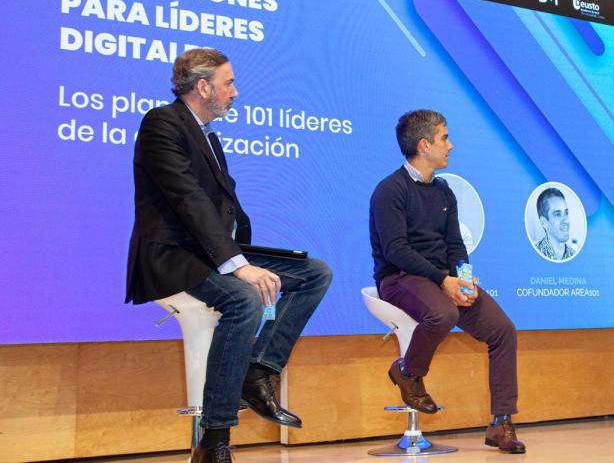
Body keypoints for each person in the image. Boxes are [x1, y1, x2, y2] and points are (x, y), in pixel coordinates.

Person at [125, 49, 333, 462]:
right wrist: (238, 266)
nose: (235, 92)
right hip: (173, 255)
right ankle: (215, 441)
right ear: (203, 87)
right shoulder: (161, 124)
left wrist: (244, 255)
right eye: (229, 83)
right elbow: (187, 200)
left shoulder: (210, 138)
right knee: (244, 299)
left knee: (313, 273)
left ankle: (258, 371)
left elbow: (223, 209)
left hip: (212, 253)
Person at [369, 110, 525, 454]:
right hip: (400, 278)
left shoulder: (444, 191)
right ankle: (408, 371)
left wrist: (463, 280)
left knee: (503, 329)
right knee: (443, 315)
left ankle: (501, 422)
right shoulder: (389, 191)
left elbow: (456, 245)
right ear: (424, 145)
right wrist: (443, 280)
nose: (450, 145)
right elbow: (396, 250)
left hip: (442, 280)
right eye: (444, 138)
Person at [534, 187, 575, 261]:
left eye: (566, 213)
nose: (566, 221)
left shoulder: (574, 255)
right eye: (557, 214)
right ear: (544, 222)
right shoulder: (533, 256)